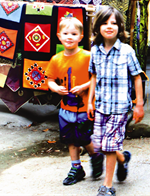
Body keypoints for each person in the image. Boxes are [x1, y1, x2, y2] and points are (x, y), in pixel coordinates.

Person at [87, 6, 145, 196]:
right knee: (100, 145)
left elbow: (137, 77)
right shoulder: (94, 51)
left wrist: (139, 105)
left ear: (120, 28)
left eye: (113, 23)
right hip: (101, 107)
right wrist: (90, 101)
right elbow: (93, 76)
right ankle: (123, 158)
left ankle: (107, 186)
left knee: (109, 146)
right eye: (104, 23)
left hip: (120, 108)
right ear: (97, 28)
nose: (109, 26)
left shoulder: (127, 51)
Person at [47, 17, 104, 186]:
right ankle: (76, 167)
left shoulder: (88, 56)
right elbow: (50, 79)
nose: (69, 37)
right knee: (70, 139)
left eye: (73, 34)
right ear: (59, 36)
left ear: (80, 37)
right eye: (66, 33)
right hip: (66, 108)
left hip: (85, 107)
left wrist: (84, 86)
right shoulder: (56, 59)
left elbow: (97, 76)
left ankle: (95, 156)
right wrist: (55, 88)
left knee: (85, 138)